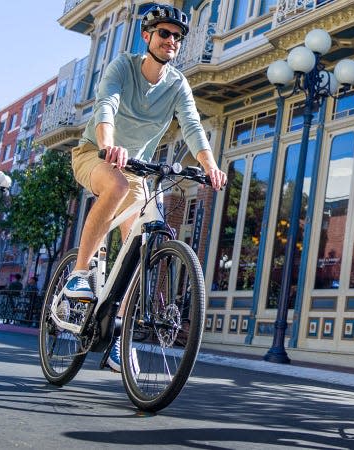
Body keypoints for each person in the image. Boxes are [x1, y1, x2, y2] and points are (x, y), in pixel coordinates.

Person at [55, 4, 227, 373]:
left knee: (145, 240)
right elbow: (106, 105)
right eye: (164, 34)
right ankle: (79, 274)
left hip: (139, 170)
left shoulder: (177, 84)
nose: (172, 42)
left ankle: (119, 335)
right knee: (114, 186)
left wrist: (210, 165)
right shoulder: (123, 67)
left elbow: (193, 126)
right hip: (95, 154)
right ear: (146, 36)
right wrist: (108, 143)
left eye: (177, 37)